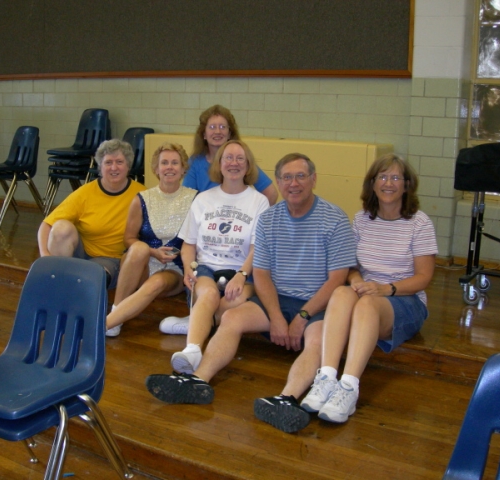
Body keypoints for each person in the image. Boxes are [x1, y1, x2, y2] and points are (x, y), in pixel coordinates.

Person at [145, 153, 356, 408]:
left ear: (314, 179)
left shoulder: (335, 219)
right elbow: (263, 274)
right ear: (278, 182)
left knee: (315, 341)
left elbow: (337, 279)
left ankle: (286, 398)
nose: (294, 183)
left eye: (301, 176)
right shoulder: (269, 219)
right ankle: (198, 380)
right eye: (287, 177)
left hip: (317, 306)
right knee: (231, 318)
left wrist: (302, 316)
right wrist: (276, 317)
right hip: (277, 300)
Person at [254, 153, 437, 433]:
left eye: (395, 178)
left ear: (407, 185)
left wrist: (384, 288)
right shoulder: (362, 219)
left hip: (403, 299)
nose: (388, 183)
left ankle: (349, 385)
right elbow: (350, 267)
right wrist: (356, 281)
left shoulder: (419, 222)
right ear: (372, 184)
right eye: (382, 177)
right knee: (341, 293)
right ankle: (327, 377)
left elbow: (424, 277)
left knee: (366, 306)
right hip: (367, 291)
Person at [148, 139, 270, 378]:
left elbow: (258, 248)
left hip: (241, 271)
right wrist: (188, 269)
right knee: (209, 294)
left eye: (239, 159)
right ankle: (192, 350)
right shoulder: (203, 199)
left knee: (232, 306)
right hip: (206, 268)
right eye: (228, 158)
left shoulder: (259, 201)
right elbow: (188, 245)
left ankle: (196, 321)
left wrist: (242, 275)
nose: (233, 163)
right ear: (219, 164)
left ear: (248, 166)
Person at [160, 104, 278, 335]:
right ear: (203, 133)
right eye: (212, 126)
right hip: (205, 243)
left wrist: (255, 221)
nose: (217, 131)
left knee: (233, 301)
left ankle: (197, 321)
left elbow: (271, 193)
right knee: (208, 291)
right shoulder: (196, 168)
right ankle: (203, 322)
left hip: (239, 252)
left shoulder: (243, 163)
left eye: (222, 126)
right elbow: (188, 206)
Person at [104, 143, 197, 337]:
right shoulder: (141, 198)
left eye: (174, 163)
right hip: (141, 263)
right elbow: (128, 238)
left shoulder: (195, 198)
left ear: (183, 169)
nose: (169, 167)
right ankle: (115, 313)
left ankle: (109, 322)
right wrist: (152, 252)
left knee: (155, 283)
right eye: (164, 163)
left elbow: (196, 241)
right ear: (156, 169)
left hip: (174, 269)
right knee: (139, 248)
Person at [37, 139, 145, 289]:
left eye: (119, 162)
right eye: (108, 162)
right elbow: (46, 224)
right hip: (81, 253)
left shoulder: (142, 194)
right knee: (61, 227)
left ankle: (66, 284)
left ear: (128, 166)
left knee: (90, 279)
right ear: (100, 166)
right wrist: (45, 256)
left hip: (112, 260)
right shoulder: (85, 193)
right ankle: (56, 279)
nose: (114, 167)